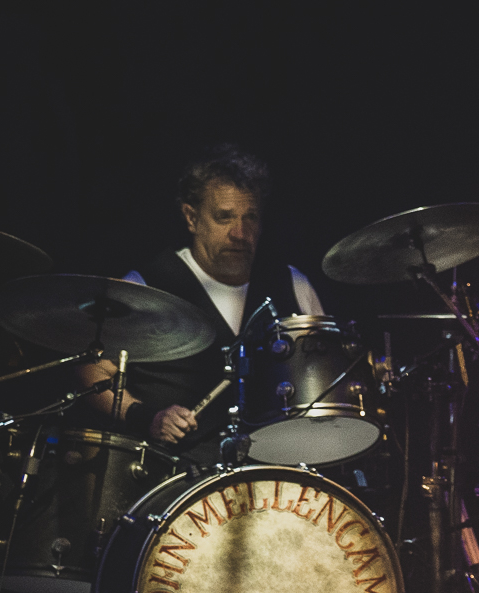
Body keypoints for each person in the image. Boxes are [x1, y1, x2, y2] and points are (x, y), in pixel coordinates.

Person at [75, 144, 324, 450]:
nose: (240, 233)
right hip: (178, 477)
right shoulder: (147, 286)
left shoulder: (292, 283)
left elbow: (324, 377)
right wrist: (146, 418)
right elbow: (93, 372)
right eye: (225, 218)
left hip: (274, 473)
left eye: (251, 218)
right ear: (191, 218)